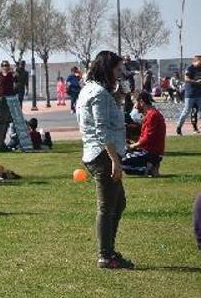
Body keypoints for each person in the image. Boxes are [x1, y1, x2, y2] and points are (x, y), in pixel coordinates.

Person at [76, 50, 134, 269]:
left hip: (98, 153)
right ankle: (106, 255)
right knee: (107, 206)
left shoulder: (90, 90)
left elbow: (105, 118)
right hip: (102, 155)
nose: (121, 73)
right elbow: (102, 131)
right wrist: (114, 161)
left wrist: (118, 98)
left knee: (118, 203)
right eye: (118, 69)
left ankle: (109, 250)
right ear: (107, 68)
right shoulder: (98, 93)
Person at [124, 92, 166, 177]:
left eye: (135, 103)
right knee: (122, 154)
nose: (134, 106)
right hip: (149, 151)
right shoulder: (151, 114)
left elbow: (147, 138)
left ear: (141, 102)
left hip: (150, 152)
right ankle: (150, 165)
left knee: (119, 162)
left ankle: (148, 168)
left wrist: (132, 146)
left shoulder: (152, 115)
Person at [176, 55, 201, 136]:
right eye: (200, 61)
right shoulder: (190, 68)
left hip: (199, 94)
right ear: (196, 61)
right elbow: (186, 79)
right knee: (186, 111)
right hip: (190, 94)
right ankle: (179, 127)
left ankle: (195, 128)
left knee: (197, 111)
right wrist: (196, 82)